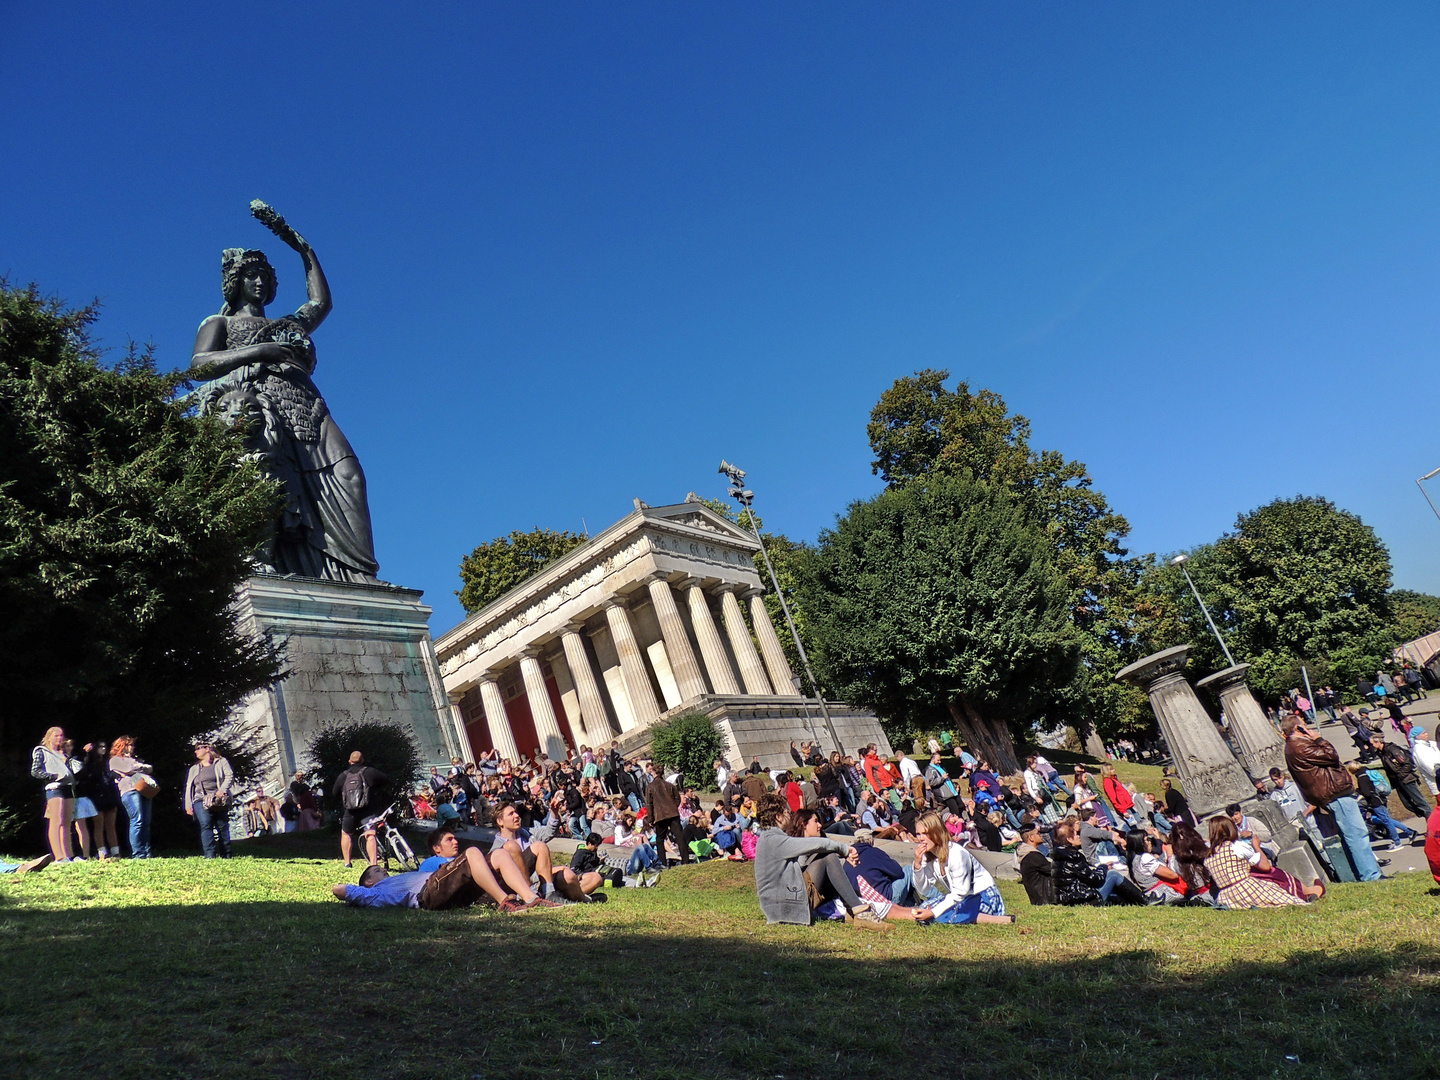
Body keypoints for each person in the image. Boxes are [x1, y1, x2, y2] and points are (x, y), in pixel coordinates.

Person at [190, 207, 379, 583]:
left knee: (350, 475)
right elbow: (199, 365)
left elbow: (320, 303)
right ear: (235, 280)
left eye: (264, 275)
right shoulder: (220, 322)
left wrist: (304, 251)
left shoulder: (288, 324)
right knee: (268, 487)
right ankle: (267, 566)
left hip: (308, 405)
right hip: (262, 408)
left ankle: (358, 575)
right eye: (251, 275)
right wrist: (261, 351)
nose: (259, 282)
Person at [752, 793, 887, 928]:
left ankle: (852, 911)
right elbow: (820, 845)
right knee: (828, 857)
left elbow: (799, 866)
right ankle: (859, 911)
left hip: (781, 905)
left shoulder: (769, 839)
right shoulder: (773, 840)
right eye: (788, 812)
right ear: (778, 817)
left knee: (825, 856)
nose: (791, 815)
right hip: (784, 908)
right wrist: (845, 849)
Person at [1281, 715, 1381, 882]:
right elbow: (1331, 756)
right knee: (1357, 834)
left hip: (1330, 794)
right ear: (1298, 728)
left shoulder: (1295, 747)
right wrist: (1318, 738)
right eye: (1305, 725)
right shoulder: (1299, 746)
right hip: (1334, 793)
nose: (1309, 728)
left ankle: (1365, 873)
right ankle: (1371, 875)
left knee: (1352, 834)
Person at [332, 847, 550, 913]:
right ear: (369, 881)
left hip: (447, 890)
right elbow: (340, 890)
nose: (384, 872)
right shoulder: (376, 891)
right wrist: (348, 889)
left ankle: (531, 897)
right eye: (378, 871)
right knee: (473, 852)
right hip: (429, 892)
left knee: (500, 855)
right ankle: (506, 903)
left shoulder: (395, 879)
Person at [910, 812, 1015, 925]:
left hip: (982, 896)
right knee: (924, 907)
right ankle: (970, 917)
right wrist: (917, 865)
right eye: (918, 834)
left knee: (941, 914)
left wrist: (933, 912)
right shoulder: (931, 856)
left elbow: (961, 892)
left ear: (936, 832)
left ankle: (996, 919)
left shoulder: (956, 853)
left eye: (925, 833)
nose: (921, 838)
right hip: (963, 899)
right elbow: (924, 889)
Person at [492, 800, 602, 901]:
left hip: (546, 880)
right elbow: (515, 876)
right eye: (511, 814)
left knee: (595, 878)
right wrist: (554, 870)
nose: (517, 816)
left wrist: (554, 812)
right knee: (567, 874)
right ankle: (583, 899)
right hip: (528, 886)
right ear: (500, 821)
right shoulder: (499, 849)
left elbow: (550, 832)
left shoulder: (527, 833)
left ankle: (560, 896)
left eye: (516, 812)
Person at [1203, 816, 1312, 908]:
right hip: (1245, 889)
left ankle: (1307, 891)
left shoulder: (1208, 856)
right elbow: (1266, 867)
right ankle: (1305, 894)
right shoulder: (1235, 846)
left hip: (1226, 897)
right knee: (1278, 890)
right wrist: (1256, 847)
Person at [1051, 819, 1145, 906]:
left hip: (1070, 899)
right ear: (1069, 839)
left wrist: (1100, 869)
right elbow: (1094, 880)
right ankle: (1145, 900)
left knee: (1115, 892)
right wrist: (1103, 867)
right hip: (1084, 900)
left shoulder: (1059, 857)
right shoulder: (1073, 857)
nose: (1079, 836)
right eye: (1075, 834)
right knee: (1113, 875)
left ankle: (1134, 902)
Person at [331, 751, 388, 867]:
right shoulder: (370, 772)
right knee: (370, 834)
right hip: (368, 809)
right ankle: (373, 864)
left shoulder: (343, 776)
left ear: (349, 761)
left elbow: (334, 793)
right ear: (363, 760)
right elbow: (386, 779)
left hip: (350, 811)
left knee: (346, 833)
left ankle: (347, 862)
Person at [31, 726, 77, 863]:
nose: (59, 738)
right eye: (56, 735)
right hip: (54, 788)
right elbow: (35, 771)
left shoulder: (63, 754)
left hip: (68, 787)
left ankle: (69, 855)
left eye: (61, 735)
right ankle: (59, 856)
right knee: (56, 821)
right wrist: (53, 776)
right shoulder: (41, 751)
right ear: (49, 737)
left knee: (67, 822)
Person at [1347, 761, 1418, 850]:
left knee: (1386, 821)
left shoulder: (1361, 777)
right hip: (1379, 799)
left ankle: (1398, 842)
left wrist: (1359, 791)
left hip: (1375, 802)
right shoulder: (1366, 773)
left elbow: (1367, 793)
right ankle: (1409, 832)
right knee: (1387, 819)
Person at [184, 744, 235, 858]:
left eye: (198, 748)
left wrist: (222, 790)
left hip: (218, 799)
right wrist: (188, 804)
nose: (196, 751)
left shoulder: (221, 762)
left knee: (222, 826)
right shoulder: (194, 769)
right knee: (206, 824)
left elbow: (229, 776)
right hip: (200, 799)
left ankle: (226, 855)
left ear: (207, 749)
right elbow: (189, 787)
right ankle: (210, 855)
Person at [109, 736, 154, 858]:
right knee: (137, 820)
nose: (132, 747)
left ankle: (147, 852)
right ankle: (138, 853)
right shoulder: (115, 760)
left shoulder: (134, 759)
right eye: (129, 745)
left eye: (132, 745)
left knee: (146, 821)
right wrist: (140, 768)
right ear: (121, 746)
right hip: (129, 790)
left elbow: (150, 768)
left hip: (143, 790)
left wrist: (137, 768)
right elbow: (128, 768)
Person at [1369, 735, 1433, 819]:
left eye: (1372, 743)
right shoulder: (1382, 753)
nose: (1371, 746)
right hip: (1398, 782)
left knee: (1420, 802)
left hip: (1406, 779)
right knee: (1407, 804)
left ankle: (1432, 821)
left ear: (1378, 742)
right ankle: (1428, 817)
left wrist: (1400, 775)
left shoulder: (1392, 749)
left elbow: (1407, 763)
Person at [644, 763, 688, 866]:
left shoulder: (650, 787)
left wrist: (651, 819)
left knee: (660, 839)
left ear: (654, 773)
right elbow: (677, 798)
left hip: (660, 816)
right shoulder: (669, 785)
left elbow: (649, 804)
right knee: (680, 836)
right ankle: (685, 860)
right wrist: (673, 806)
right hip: (673, 814)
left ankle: (663, 863)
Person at [1014, 825, 1055, 905]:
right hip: (1045, 898)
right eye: (1038, 833)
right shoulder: (1033, 856)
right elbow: (1054, 870)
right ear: (1031, 837)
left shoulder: (1026, 853)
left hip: (1038, 898)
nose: (1040, 835)